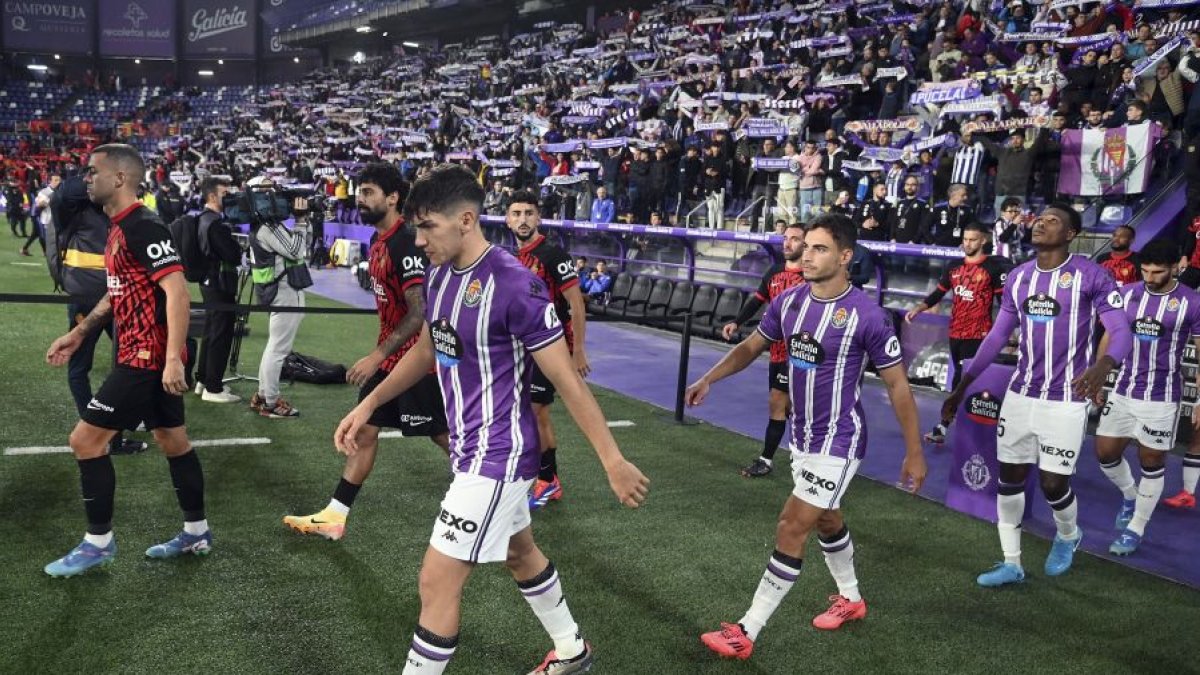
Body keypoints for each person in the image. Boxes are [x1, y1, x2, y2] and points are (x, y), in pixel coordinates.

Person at [332, 164, 648, 675]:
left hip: (498, 458)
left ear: (466, 219)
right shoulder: (439, 274)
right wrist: (368, 403)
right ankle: (572, 652)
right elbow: (429, 352)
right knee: (521, 553)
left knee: (436, 582)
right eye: (415, 227)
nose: (419, 239)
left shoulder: (514, 284)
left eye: (428, 226)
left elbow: (567, 380)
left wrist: (611, 458)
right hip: (469, 452)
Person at [689, 213, 927, 659]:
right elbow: (750, 348)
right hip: (801, 437)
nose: (806, 254)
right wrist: (709, 378)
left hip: (839, 440)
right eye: (806, 246)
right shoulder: (790, 302)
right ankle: (851, 599)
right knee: (827, 518)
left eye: (819, 248)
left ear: (845, 256)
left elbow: (898, 386)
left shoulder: (869, 316)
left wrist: (914, 452)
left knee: (791, 523)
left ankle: (746, 630)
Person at [941, 203, 1133, 587]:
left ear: (1070, 234)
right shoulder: (1019, 277)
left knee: (1052, 484)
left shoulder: (1091, 275)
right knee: (1009, 478)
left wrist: (1103, 365)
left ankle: (1068, 535)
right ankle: (1012, 562)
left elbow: (1121, 329)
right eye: (1040, 218)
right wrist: (963, 387)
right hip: (1021, 394)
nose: (1042, 223)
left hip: (1065, 399)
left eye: (1053, 221)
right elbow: (997, 336)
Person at [43, 143, 211, 577]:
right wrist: (80, 333)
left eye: (93, 171)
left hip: (144, 359)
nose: (86, 178)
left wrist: (173, 358)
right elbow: (118, 293)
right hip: (145, 356)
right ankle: (196, 532)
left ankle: (98, 543)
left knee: (85, 441)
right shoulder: (118, 226)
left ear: (119, 178)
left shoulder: (144, 226)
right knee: (173, 442)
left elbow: (178, 292)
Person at [284, 163, 450, 541]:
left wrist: (377, 356)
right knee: (364, 430)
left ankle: (494, 489)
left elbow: (419, 310)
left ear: (392, 198)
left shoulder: (404, 241)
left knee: (443, 434)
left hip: (415, 362)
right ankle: (335, 516)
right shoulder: (378, 241)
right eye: (360, 191)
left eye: (369, 191)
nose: (360, 198)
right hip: (391, 360)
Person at [1093, 239, 1200, 556]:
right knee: (1105, 454)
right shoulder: (1127, 295)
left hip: (1162, 395)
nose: (1150, 278)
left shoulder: (1191, 302)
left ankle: (1135, 528)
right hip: (1124, 389)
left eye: (1158, 272)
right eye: (1145, 271)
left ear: (1175, 268)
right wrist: (1099, 377)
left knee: (1151, 461)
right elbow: (1110, 335)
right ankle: (1130, 495)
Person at [46, 172, 146, 456]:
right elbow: (63, 193)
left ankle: (113, 429)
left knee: (129, 364)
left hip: (118, 300)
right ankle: (96, 430)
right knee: (80, 367)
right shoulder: (73, 211)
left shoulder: (114, 214)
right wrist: (98, 176)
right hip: (88, 302)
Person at [506, 190, 590, 510]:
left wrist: (579, 350)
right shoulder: (511, 257)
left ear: (538, 218)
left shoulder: (553, 255)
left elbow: (576, 304)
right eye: (516, 213)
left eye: (529, 213)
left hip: (552, 345)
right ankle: (535, 473)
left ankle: (548, 480)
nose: (523, 219)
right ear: (507, 219)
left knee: (537, 410)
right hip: (524, 346)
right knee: (524, 411)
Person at [907, 222, 1010, 441]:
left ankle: (950, 427)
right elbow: (939, 292)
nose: (967, 243)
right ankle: (947, 427)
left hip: (980, 334)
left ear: (983, 240)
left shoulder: (993, 268)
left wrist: (1009, 331)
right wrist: (919, 307)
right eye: (965, 239)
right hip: (955, 332)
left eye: (972, 239)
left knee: (968, 381)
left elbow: (1004, 303)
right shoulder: (953, 267)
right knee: (958, 378)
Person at [721, 224, 805, 478]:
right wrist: (737, 321)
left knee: (787, 405)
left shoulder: (813, 277)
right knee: (779, 405)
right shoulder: (774, 272)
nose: (788, 243)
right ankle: (776, 459)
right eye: (785, 238)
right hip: (776, 351)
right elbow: (758, 299)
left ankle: (780, 458)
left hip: (800, 353)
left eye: (794, 239)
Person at [247, 177, 313, 418]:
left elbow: (300, 246)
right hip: (284, 290)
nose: (274, 194)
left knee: (274, 347)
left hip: (280, 289)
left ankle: (265, 395)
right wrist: (301, 220)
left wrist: (303, 222)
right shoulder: (269, 227)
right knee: (278, 350)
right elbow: (297, 250)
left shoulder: (264, 225)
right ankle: (271, 402)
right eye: (267, 189)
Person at [192, 176, 243, 403]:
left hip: (208, 281)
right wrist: (237, 247)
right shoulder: (215, 223)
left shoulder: (202, 219)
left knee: (211, 332)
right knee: (221, 334)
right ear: (212, 195)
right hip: (220, 282)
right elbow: (232, 254)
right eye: (225, 193)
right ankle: (213, 387)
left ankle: (203, 380)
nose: (229, 197)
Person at [23, 174, 60, 256]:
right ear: (50, 181)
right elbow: (39, 205)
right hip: (38, 216)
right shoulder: (45, 192)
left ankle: (25, 249)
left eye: (59, 180)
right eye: (56, 180)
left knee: (36, 234)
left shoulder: (58, 191)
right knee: (42, 234)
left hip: (45, 217)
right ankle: (47, 252)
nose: (58, 182)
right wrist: (49, 201)